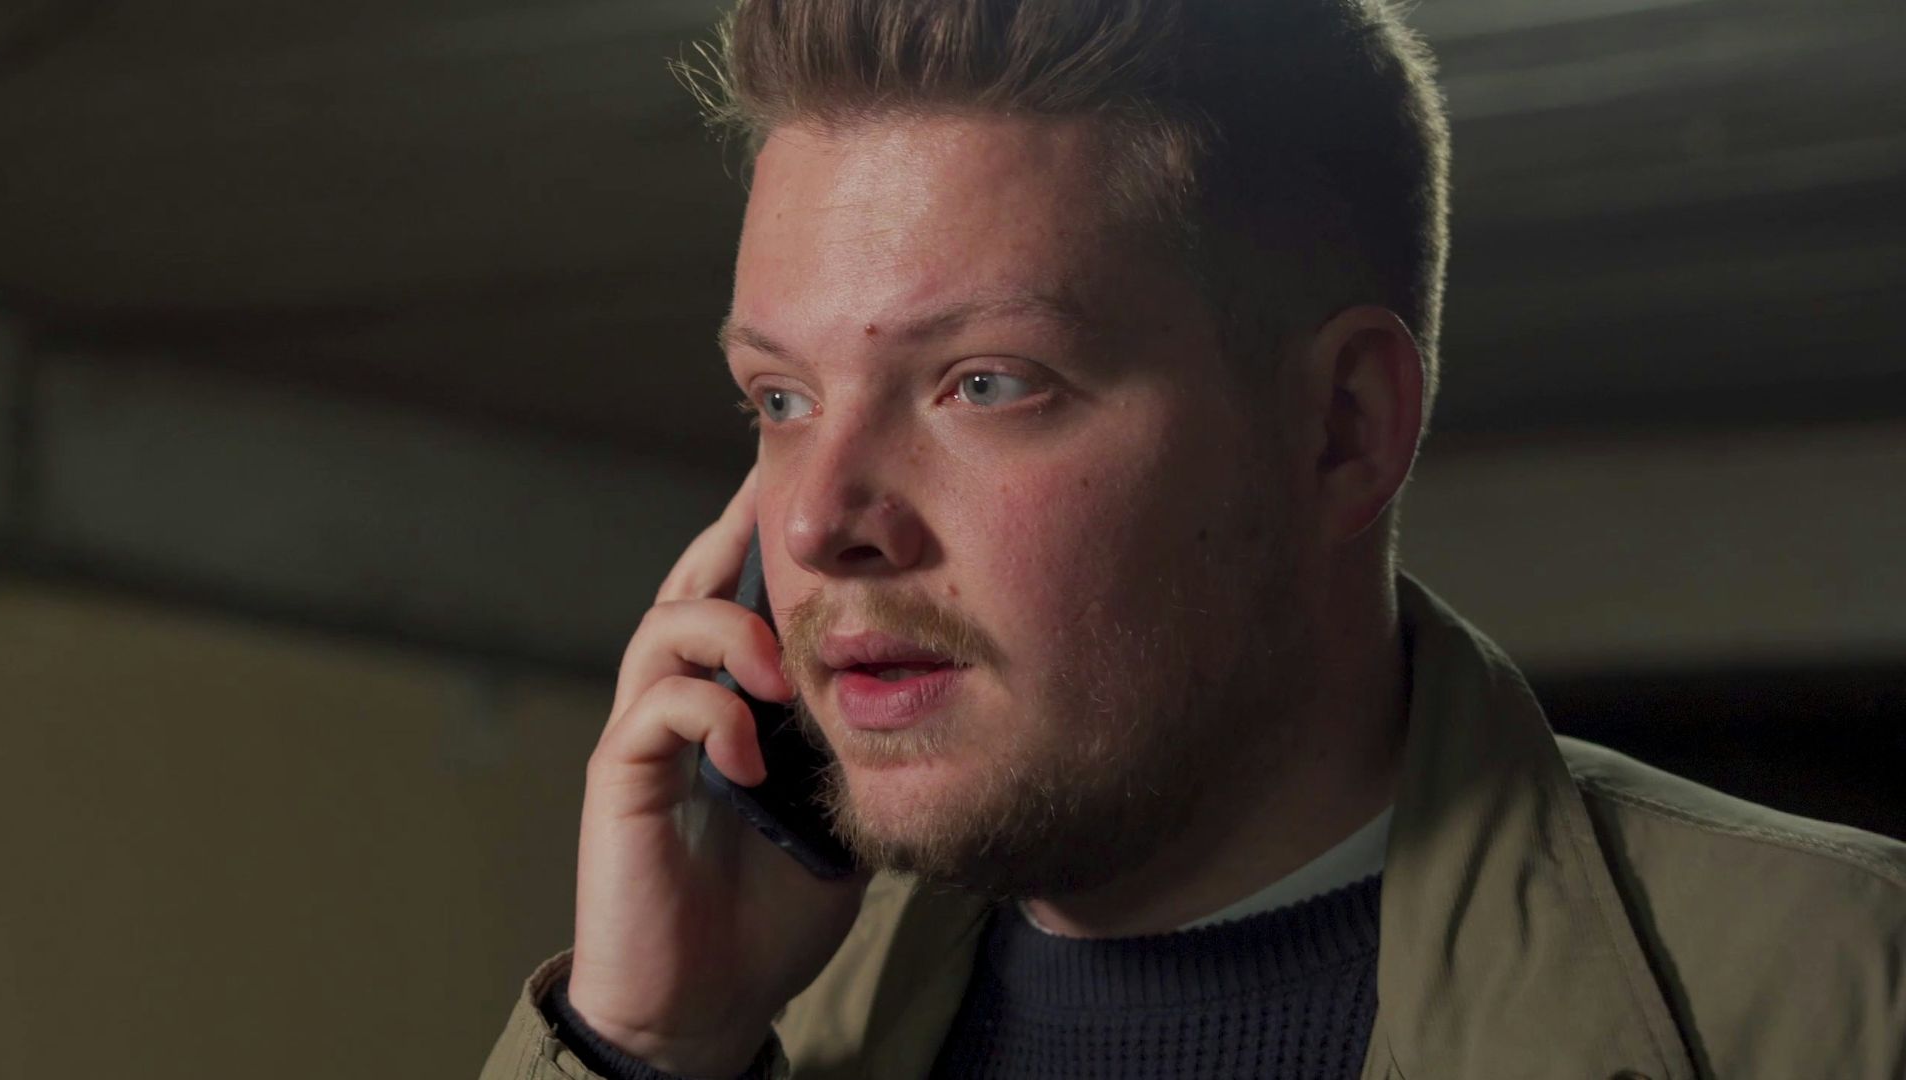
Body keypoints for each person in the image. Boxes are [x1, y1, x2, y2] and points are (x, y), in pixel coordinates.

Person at [480, 1, 1906, 1077]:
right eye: (779, 399)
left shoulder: (1843, 995)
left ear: (1343, 426)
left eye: (984, 382)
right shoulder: (750, 1034)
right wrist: (647, 1049)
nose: (815, 519)